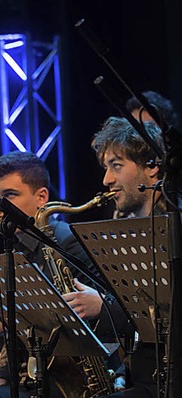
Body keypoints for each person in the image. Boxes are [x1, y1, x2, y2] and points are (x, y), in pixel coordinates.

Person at [0, 151, 117, 398]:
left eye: (9, 196)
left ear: (41, 197)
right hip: (32, 378)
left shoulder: (68, 243)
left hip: (71, 382)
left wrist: (7, 319)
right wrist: (2, 375)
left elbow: (93, 322)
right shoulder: (12, 244)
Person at [91, 116, 168, 398]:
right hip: (142, 376)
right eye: (105, 167)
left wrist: (103, 307)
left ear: (152, 166)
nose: (106, 179)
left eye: (117, 166)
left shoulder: (174, 228)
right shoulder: (125, 232)